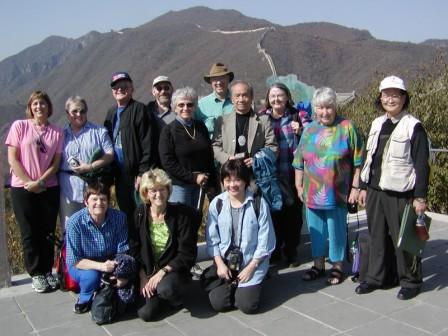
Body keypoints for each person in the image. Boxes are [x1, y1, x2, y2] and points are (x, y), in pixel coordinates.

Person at [355, 75, 430, 300]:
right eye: (386, 94)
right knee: (377, 236)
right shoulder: (377, 123)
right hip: (376, 191)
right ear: (380, 98)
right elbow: (370, 157)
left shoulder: (413, 126)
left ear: (404, 98)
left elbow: (421, 164)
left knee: (403, 239)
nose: (390, 99)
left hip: (400, 192)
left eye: (395, 94)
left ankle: (410, 281)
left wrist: (420, 197)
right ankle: (379, 277)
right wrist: (363, 187)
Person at [293, 87, 363, 285]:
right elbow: (299, 160)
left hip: (337, 193)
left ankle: (337, 266)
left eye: (329, 107)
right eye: (320, 108)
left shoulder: (347, 127)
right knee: (316, 230)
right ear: (315, 109)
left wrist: (356, 188)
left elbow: (358, 160)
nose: (325, 112)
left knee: (336, 230)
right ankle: (318, 265)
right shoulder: (309, 129)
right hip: (312, 192)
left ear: (335, 106)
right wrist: (299, 186)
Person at [5, 90, 64, 293]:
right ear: (30, 107)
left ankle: (48, 270)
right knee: (29, 232)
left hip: (48, 187)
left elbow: (56, 164)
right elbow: (13, 158)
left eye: (43, 103)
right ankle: (36, 273)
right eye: (35, 104)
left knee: (47, 231)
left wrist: (40, 181)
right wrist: (29, 182)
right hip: (22, 188)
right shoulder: (19, 127)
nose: (39, 107)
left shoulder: (57, 132)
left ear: (49, 107)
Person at [206, 159, 275, 314]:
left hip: (251, 262)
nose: (233, 185)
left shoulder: (258, 203)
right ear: (223, 182)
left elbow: (266, 240)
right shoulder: (217, 204)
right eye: (228, 180)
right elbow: (212, 239)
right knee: (218, 303)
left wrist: (252, 266)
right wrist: (220, 264)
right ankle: (235, 285)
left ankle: (255, 282)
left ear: (245, 181)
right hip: (227, 264)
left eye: (237, 179)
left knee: (246, 305)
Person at [132, 169, 199, 321]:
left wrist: (163, 272)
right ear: (146, 193)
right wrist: (142, 276)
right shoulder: (140, 214)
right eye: (153, 190)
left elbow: (187, 253)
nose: (158, 194)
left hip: (172, 270)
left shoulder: (181, 214)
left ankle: (173, 296)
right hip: (148, 271)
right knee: (146, 314)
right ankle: (159, 298)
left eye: (162, 189)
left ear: (168, 190)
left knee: (166, 289)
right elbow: (134, 247)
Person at [66, 182, 133, 314]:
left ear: (109, 202)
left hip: (111, 260)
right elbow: (75, 260)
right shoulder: (75, 222)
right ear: (86, 202)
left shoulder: (119, 218)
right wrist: (101, 266)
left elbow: (122, 250)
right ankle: (85, 298)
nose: (99, 203)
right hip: (82, 264)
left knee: (127, 269)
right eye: (94, 199)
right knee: (92, 276)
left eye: (103, 199)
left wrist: (116, 268)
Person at [104, 72, 154, 237]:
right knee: (127, 216)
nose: (120, 89)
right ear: (112, 91)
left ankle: (148, 255)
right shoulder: (111, 114)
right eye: (117, 87)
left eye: (124, 86)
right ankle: (134, 254)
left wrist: (142, 172)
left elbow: (148, 143)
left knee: (143, 215)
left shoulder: (139, 110)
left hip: (137, 175)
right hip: (120, 176)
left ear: (132, 88)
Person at [259, 83, 303, 267]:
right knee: (273, 215)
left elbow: (310, 138)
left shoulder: (297, 116)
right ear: (268, 99)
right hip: (271, 176)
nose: (276, 99)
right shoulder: (261, 118)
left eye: (280, 95)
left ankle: (291, 250)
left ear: (287, 97)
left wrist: (300, 132)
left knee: (293, 215)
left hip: (293, 174)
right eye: (273, 96)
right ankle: (275, 251)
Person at [59, 96, 114, 230]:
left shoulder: (99, 131)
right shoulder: (60, 135)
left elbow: (110, 154)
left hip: (95, 188)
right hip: (68, 189)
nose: (79, 114)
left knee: (97, 226)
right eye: (75, 111)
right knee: (70, 228)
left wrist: (91, 166)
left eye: (82, 111)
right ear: (67, 114)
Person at [159, 87, 216, 208]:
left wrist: (212, 183)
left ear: (195, 107)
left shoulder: (200, 127)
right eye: (181, 105)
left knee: (196, 220)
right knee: (182, 222)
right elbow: (167, 162)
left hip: (201, 184)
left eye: (189, 104)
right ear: (175, 107)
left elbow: (209, 156)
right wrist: (193, 177)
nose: (185, 108)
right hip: (180, 186)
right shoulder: (168, 131)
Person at [212, 80, 278, 172]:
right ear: (232, 99)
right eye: (237, 96)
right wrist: (227, 159)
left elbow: (272, 147)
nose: (241, 99)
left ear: (251, 98)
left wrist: (257, 160)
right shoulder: (222, 121)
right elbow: (215, 146)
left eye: (245, 95)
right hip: (230, 175)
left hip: (255, 175)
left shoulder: (264, 120)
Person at [197, 63, 235, 138]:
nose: (219, 82)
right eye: (215, 79)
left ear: (228, 79)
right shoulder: (201, 105)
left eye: (222, 78)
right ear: (211, 81)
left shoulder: (238, 102)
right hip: (210, 148)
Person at [147, 75, 176, 167]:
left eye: (166, 88)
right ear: (153, 92)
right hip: (154, 164)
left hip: (175, 163)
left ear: (172, 90)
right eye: (159, 88)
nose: (163, 91)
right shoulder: (146, 113)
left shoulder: (180, 111)